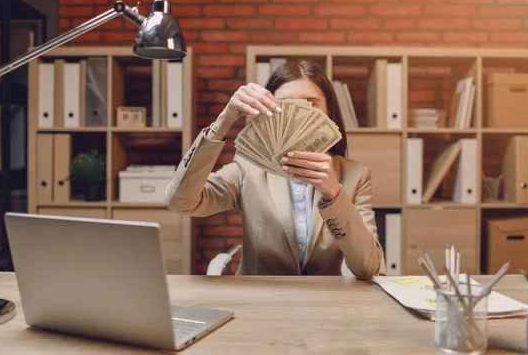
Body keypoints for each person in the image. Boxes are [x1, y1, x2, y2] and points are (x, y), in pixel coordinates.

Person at [165, 59, 386, 279]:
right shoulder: (248, 167)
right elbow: (182, 201)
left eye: (311, 103)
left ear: (329, 111)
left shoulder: (355, 175)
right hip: (261, 302)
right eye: (286, 104)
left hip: (324, 305)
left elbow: (369, 269)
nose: (299, 113)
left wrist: (333, 194)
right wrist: (224, 120)